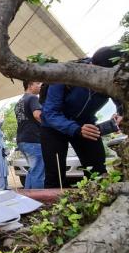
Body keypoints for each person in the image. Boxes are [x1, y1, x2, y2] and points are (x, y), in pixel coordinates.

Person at [40, 46, 123, 188]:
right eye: (95, 72)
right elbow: (50, 113)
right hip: (53, 127)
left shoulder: (114, 77)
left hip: (86, 123)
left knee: (97, 170)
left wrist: (122, 113)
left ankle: (98, 201)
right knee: (55, 176)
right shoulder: (65, 73)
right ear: (92, 65)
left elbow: (121, 99)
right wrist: (77, 130)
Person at [15, 81, 45, 189]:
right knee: (38, 171)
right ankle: (40, 201)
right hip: (32, 139)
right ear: (30, 85)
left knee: (33, 170)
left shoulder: (19, 102)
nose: (41, 85)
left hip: (22, 140)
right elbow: (37, 115)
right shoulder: (33, 98)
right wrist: (49, 125)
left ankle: (28, 198)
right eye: (37, 83)